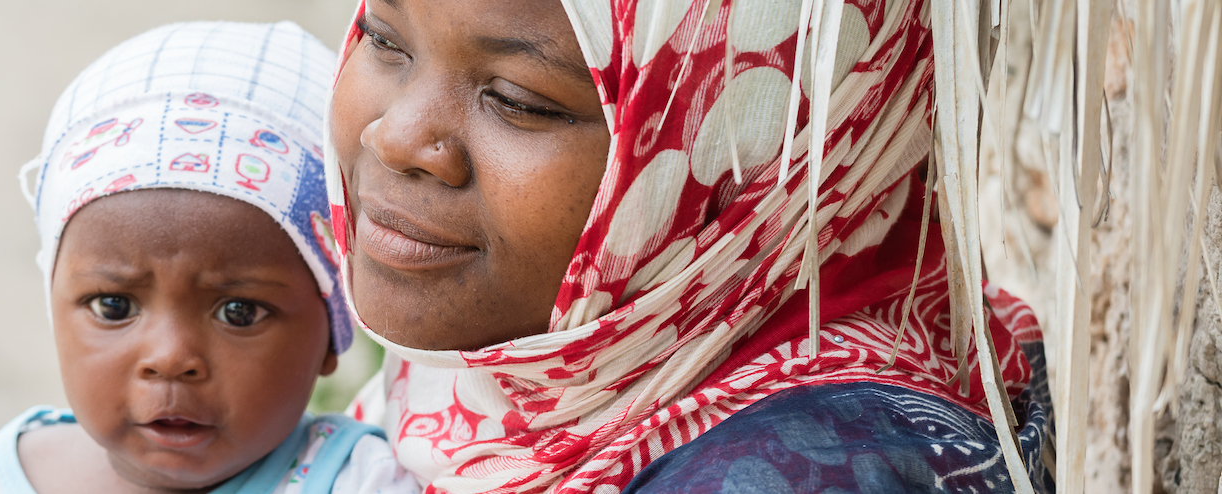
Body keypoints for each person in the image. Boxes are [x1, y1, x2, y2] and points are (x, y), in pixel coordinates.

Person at [324, 0, 1054, 492]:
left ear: (755, 157)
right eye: (384, 38)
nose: (396, 136)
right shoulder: (526, 364)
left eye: (520, 100)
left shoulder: (797, 471)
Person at [0, 21, 417, 494]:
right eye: (114, 306)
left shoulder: (360, 483)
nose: (170, 358)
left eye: (239, 312)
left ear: (332, 332)